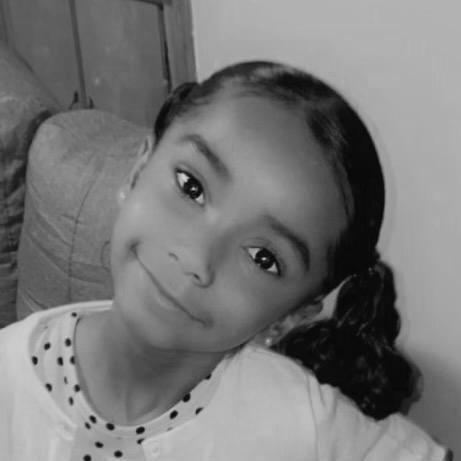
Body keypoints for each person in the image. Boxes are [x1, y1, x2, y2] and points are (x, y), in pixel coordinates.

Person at [0, 61, 450, 460]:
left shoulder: (303, 420)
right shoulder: (9, 379)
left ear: (291, 315)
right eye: (191, 187)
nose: (197, 258)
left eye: (263, 257)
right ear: (139, 171)